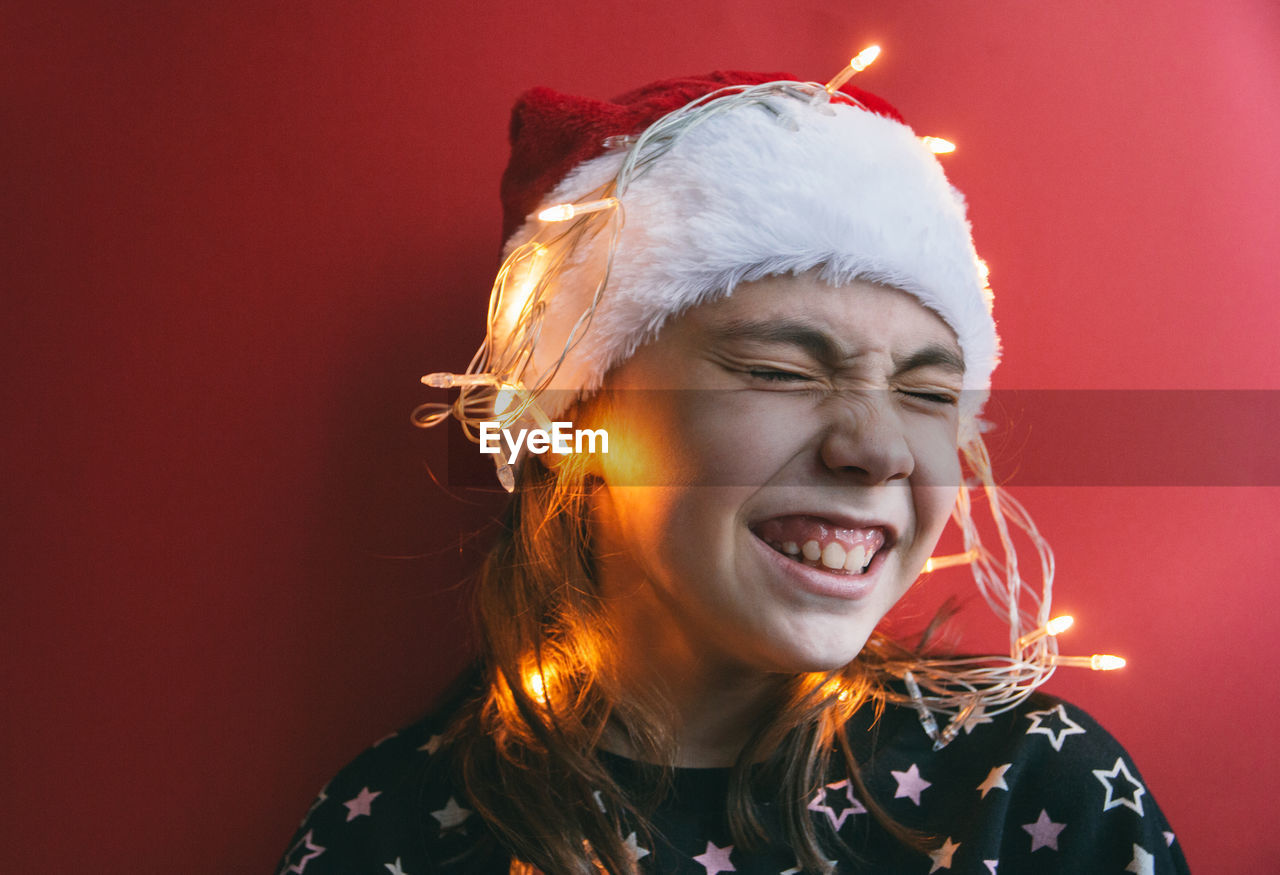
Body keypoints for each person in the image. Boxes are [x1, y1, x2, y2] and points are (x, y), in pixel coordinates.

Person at [278, 58, 1190, 874]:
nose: (874, 451)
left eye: (925, 393)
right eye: (778, 371)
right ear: (576, 412)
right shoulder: (396, 830)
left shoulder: (1036, 791)